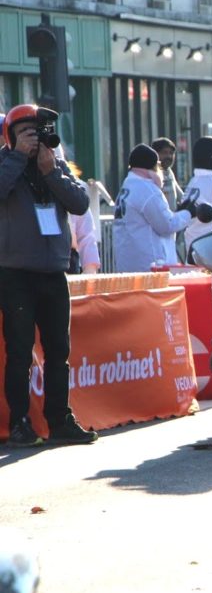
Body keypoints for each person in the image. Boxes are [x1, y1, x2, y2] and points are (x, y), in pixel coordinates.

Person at [0, 103, 98, 446]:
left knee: (59, 350)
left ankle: (60, 420)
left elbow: (80, 204)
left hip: (54, 271)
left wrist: (51, 171)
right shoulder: (4, 161)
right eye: (27, 132)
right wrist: (16, 156)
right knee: (20, 351)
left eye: (38, 133)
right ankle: (20, 423)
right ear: (11, 135)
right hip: (15, 273)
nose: (35, 139)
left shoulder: (52, 163)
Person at [112, 144, 199, 273]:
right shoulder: (147, 189)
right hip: (149, 267)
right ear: (153, 167)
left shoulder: (127, 187)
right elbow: (166, 225)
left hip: (127, 266)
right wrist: (188, 213)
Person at [150, 137, 183, 207]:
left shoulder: (168, 171)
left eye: (171, 153)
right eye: (164, 153)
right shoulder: (151, 175)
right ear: (155, 154)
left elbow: (182, 197)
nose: (169, 156)